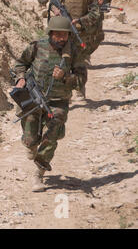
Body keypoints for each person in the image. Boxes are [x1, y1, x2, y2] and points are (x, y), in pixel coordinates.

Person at [13, 16, 87, 192]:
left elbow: (81, 79)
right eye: (58, 35)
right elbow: (20, 64)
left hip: (58, 101)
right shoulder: (37, 46)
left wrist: (65, 77)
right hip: (33, 98)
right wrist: (21, 78)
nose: (62, 38)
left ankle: (39, 174)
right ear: (51, 33)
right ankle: (31, 145)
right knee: (30, 139)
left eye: (65, 35)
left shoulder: (74, 52)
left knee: (52, 134)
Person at [50, 0, 100, 99]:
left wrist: (80, 21)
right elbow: (53, 1)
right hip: (63, 33)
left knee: (78, 64)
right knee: (62, 61)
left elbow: (95, 14)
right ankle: (63, 92)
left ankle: (79, 88)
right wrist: (56, 11)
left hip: (80, 34)